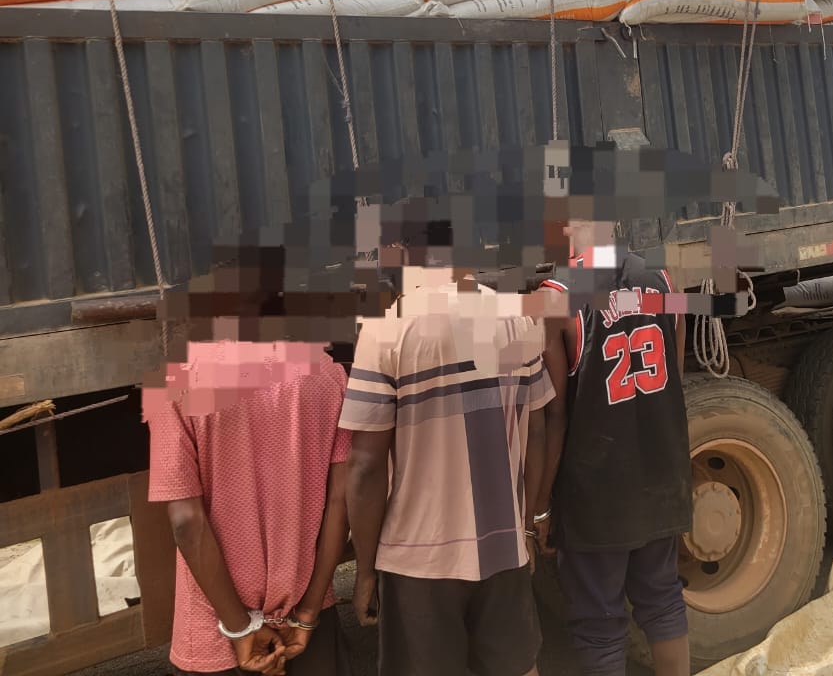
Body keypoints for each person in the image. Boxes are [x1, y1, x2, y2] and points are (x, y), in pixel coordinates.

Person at [341, 216, 552, 676]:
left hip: (419, 557)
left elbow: (365, 467)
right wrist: (528, 525)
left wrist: (365, 570)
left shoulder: (387, 331)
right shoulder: (516, 316)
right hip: (504, 547)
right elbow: (536, 432)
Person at [144, 248, 353, 676]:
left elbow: (186, 521)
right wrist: (308, 612)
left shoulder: (174, 385)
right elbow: (341, 504)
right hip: (303, 619)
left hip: (215, 631)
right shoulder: (328, 377)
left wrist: (241, 629)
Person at [535, 217, 692, 676]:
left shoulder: (559, 296)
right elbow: (673, 384)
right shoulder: (662, 279)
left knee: (599, 622)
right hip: (659, 475)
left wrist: (541, 506)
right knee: (663, 601)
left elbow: (554, 415)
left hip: (596, 491)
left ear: (566, 225)